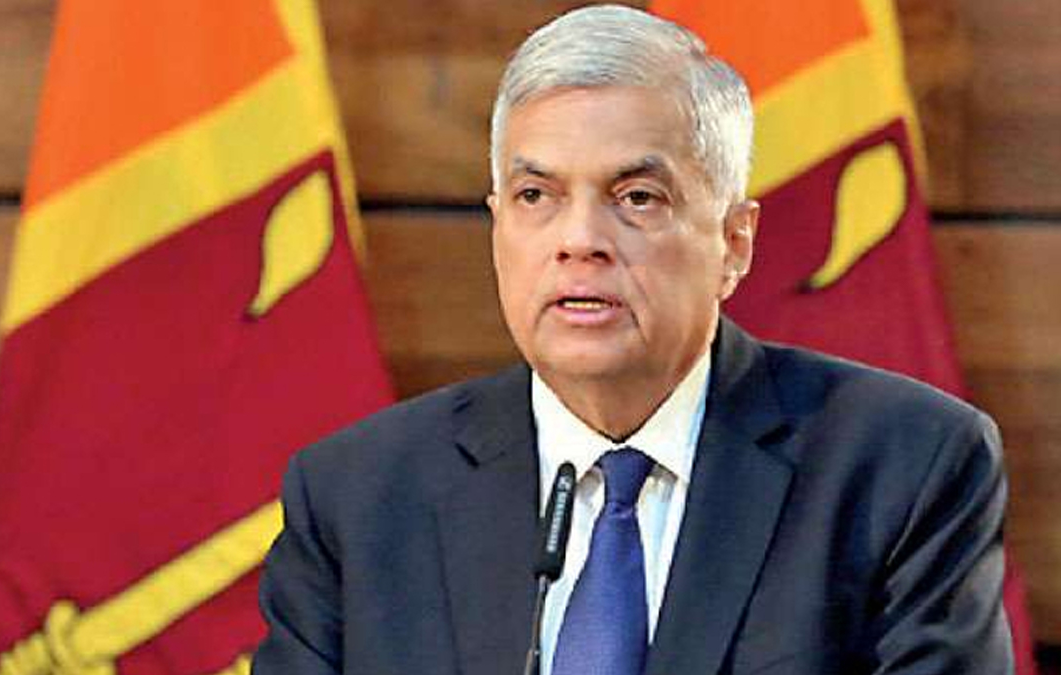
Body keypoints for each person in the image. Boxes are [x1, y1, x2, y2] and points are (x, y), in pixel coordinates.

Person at [251, 5, 1012, 674]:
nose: (580, 239)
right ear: (498, 227)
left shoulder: (902, 468)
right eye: (536, 196)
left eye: (637, 198)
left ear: (734, 242)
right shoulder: (358, 497)